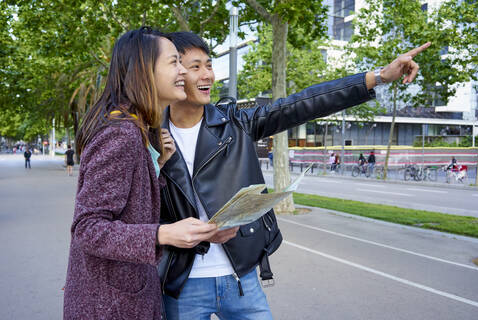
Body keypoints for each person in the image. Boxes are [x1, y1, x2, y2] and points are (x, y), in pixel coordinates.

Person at [160, 31, 430, 320]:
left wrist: (378, 77)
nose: (208, 76)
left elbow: (302, 103)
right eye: (196, 66)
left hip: (242, 279)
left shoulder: (236, 124)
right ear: (172, 71)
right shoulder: (147, 135)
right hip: (181, 285)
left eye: (210, 65)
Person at [63, 27, 221, 320]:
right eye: (173, 63)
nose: (183, 73)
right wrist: (164, 233)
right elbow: (88, 228)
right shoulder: (120, 134)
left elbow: (128, 206)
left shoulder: (135, 130)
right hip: (111, 306)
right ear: (143, 71)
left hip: (123, 298)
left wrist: (157, 165)